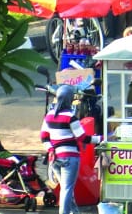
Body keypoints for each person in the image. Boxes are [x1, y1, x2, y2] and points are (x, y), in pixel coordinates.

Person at [40, 85, 92, 214]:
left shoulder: (49, 115)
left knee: (65, 188)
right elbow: (83, 138)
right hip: (70, 157)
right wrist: (101, 139)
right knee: (67, 189)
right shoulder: (70, 116)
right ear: (70, 99)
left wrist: (51, 149)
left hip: (55, 158)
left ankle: (75, 212)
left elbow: (44, 137)